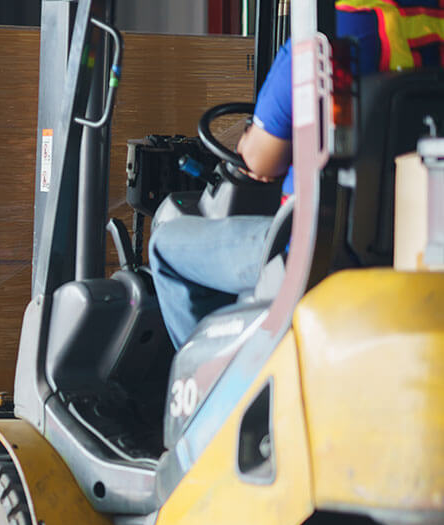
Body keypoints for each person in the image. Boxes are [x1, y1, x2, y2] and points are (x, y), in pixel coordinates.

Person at [149, 1, 444, 348]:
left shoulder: (325, 34)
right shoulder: (432, 28)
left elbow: (259, 160)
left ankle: (213, 395)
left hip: (318, 247)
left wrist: (250, 140)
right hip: (413, 244)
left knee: (166, 246)